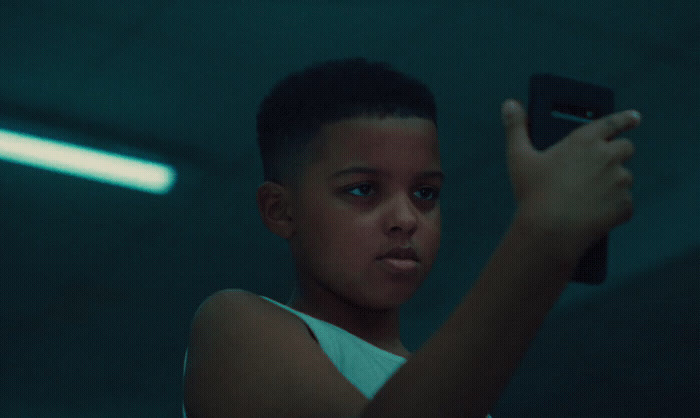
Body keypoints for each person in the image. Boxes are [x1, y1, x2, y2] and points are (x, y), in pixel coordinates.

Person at [182, 58, 640, 417]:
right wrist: (541, 239)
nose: (406, 218)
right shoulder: (235, 324)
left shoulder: (451, 390)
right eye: (362, 190)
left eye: (426, 193)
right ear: (280, 211)